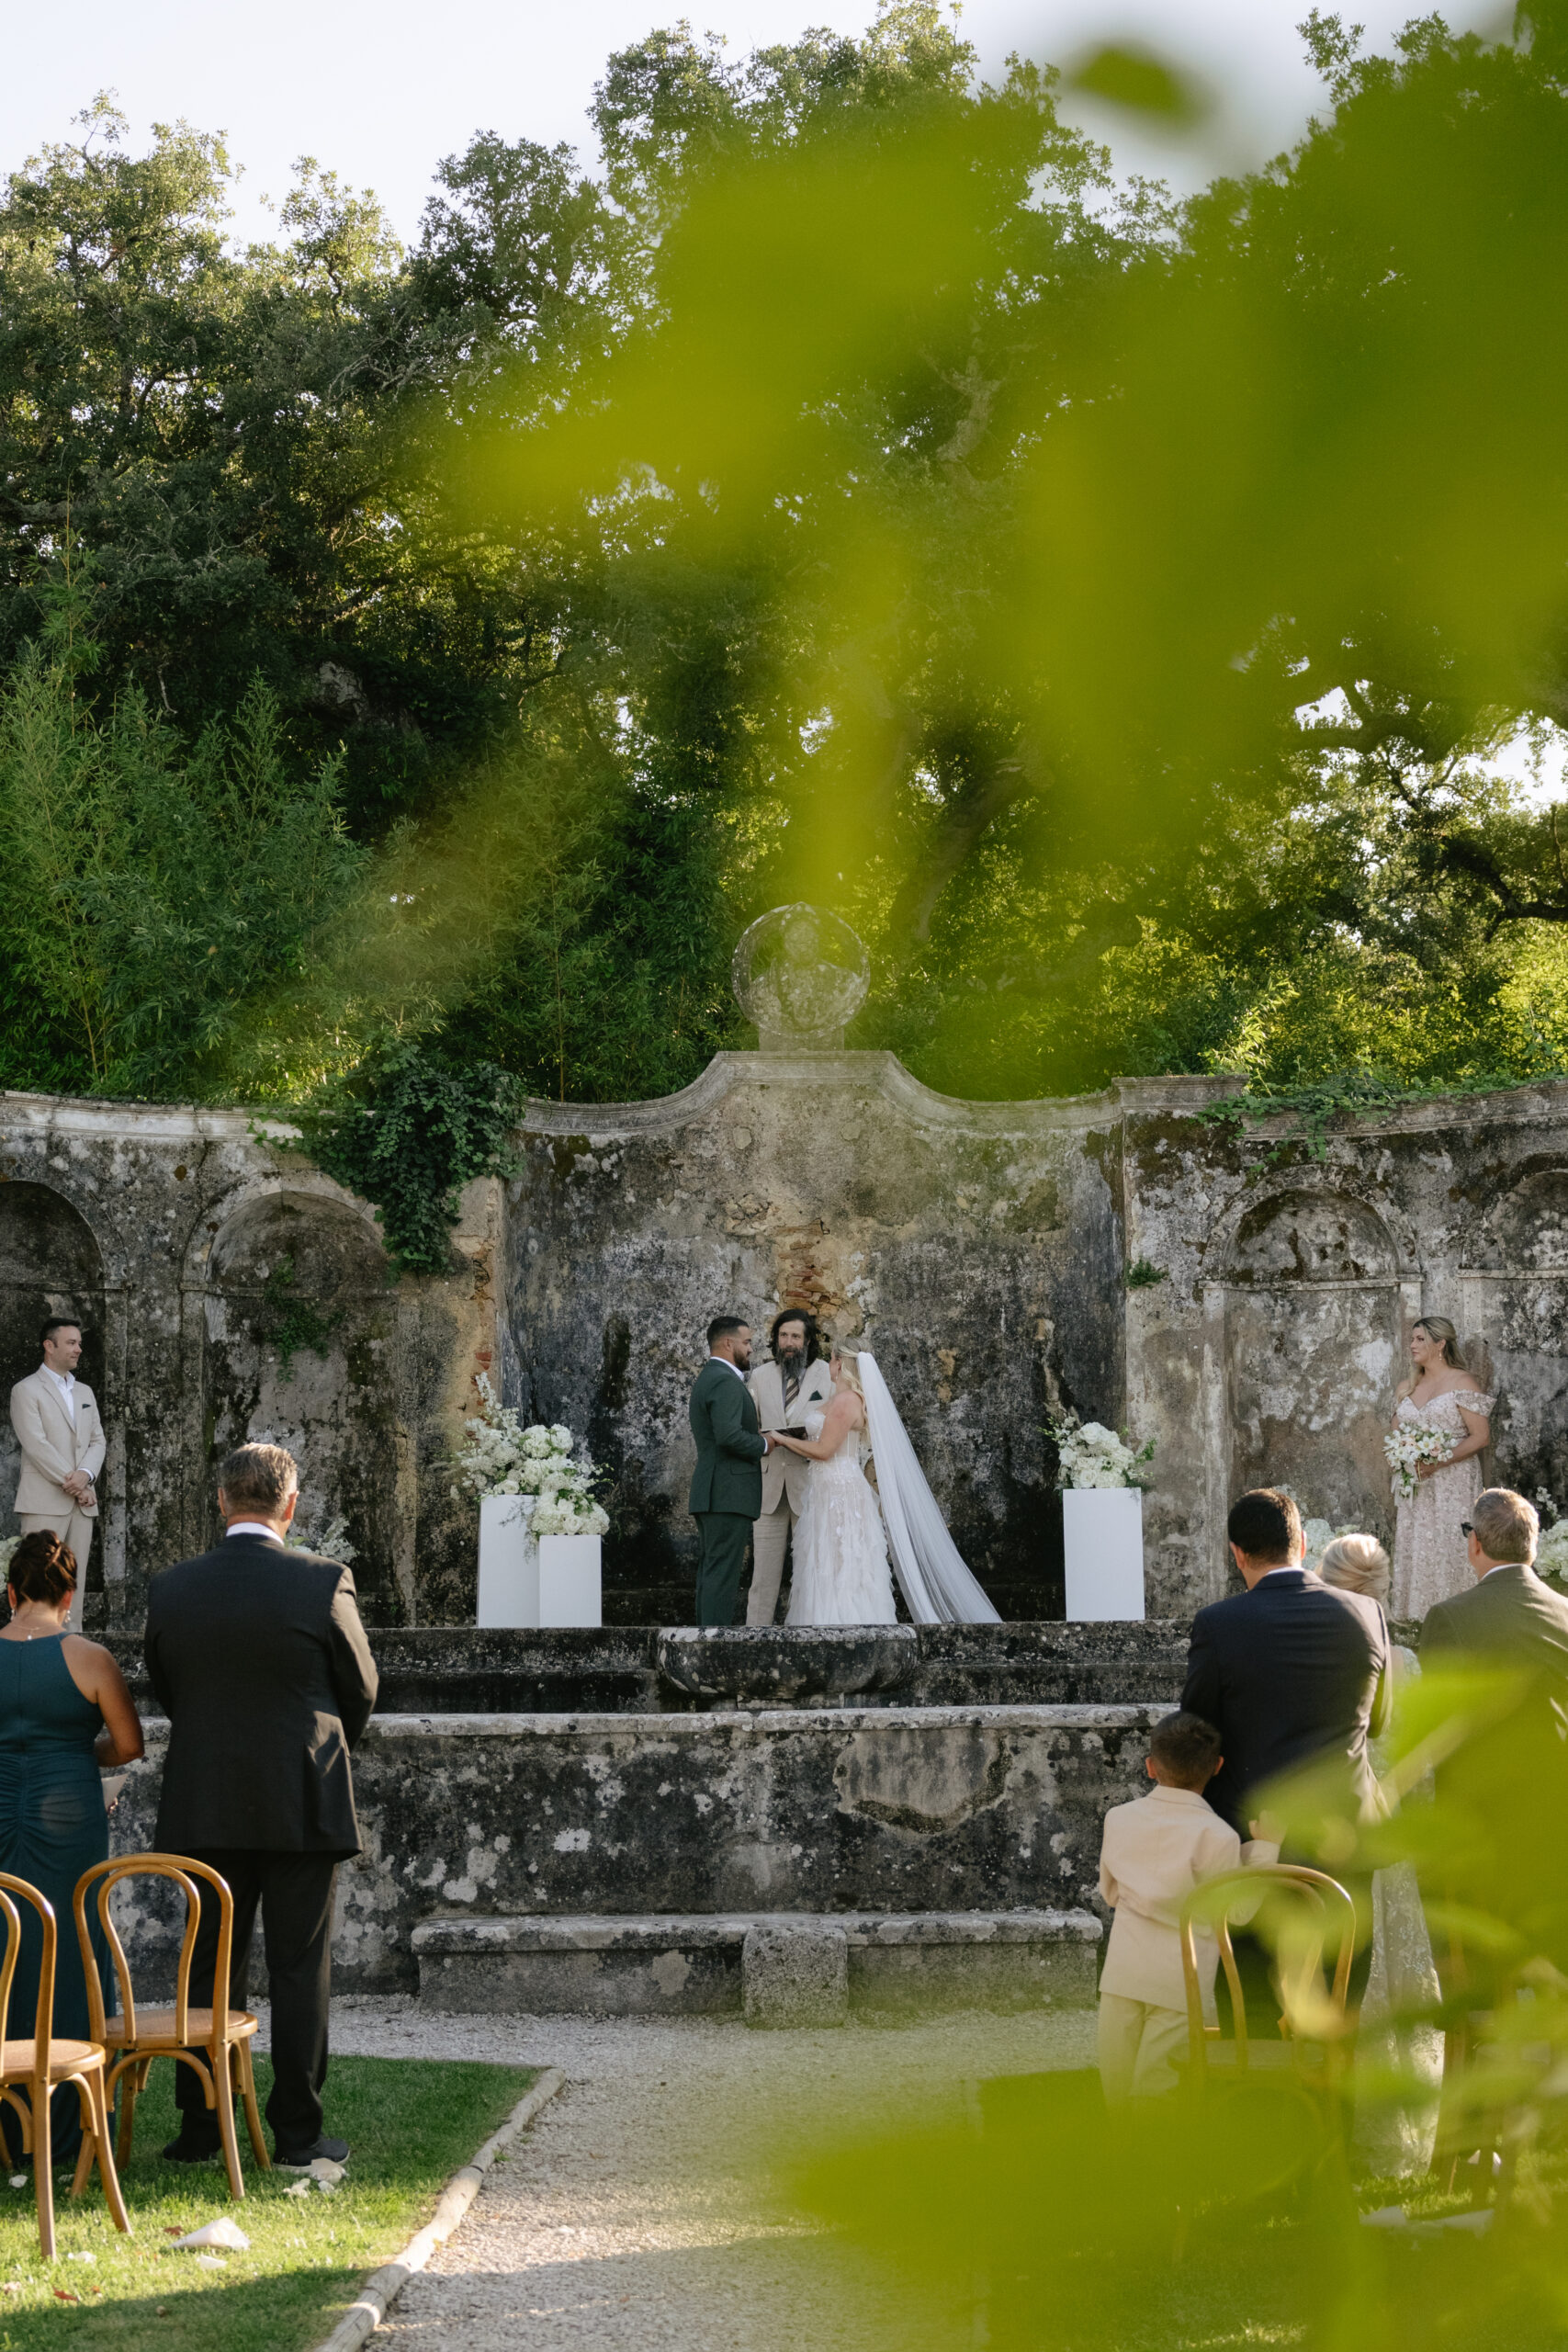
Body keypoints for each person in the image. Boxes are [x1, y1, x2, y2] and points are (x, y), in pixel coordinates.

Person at [145, 1442, 378, 2169]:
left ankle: (200, 2125)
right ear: (290, 1505)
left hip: (205, 1796)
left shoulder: (174, 1587)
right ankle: (298, 2136)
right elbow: (360, 1689)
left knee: (207, 1965)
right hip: (300, 1796)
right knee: (299, 1967)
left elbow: (166, 1684)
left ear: (222, 1501)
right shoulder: (322, 1581)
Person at [1181, 1487, 1390, 2029]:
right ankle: (1332, 2109)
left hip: (1255, 1835)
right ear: (1301, 1541)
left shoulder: (1218, 1624)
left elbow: (1198, 1735)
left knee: (1250, 2001)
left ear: (1237, 1553)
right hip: (1345, 1837)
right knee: (1338, 2002)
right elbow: (1380, 1722)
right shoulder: (1367, 1613)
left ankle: (1257, 2108)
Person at [0, 1532, 142, 2163]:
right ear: (69, 1593)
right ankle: (74, 2124)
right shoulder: (90, 1659)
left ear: (9, 1592)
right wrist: (74, 1760)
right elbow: (128, 1744)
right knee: (75, 1942)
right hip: (70, 1816)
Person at [1318, 1532, 1442, 2176]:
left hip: (1337, 1832)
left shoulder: (1320, 1655)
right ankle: (1392, 2125)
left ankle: (1330, 2120)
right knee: (1392, 1983)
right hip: (1389, 1835)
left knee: (1342, 1976)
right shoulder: (1408, 1662)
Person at [1097, 1710, 1280, 2101]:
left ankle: (1115, 2158)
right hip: (1181, 1979)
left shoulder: (1119, 1818)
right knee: (1157, 2088)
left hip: (1123, 1971)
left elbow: (1110, 1893)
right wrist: (1265, 1850)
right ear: (1217, 1767)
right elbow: (1238, 1912)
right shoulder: (1218, 1835)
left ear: (1150, 1766)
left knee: (1116, 2081)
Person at [773, 1349, 999, 1623]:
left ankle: (842, 1623)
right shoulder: (840, 1398)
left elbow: (824, 1450)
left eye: (832, 1359)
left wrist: (780, 1440)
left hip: (839, 1489)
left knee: (841, 1561)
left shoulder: (847, 1400)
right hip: (826, 1487)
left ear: (841, 1362)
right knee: (826, 1560)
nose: (828, 1365)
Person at [1390, 1316, 1494, 1619]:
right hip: (1417, 1481)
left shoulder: (1462, 1383)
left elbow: (1481, 1436)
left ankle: (1463, 1617)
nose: (1412, 1345)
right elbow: (1396, 1434)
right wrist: (1406, 1456)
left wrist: (1437, 1462)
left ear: (1440, 1344)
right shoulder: (1407, 1387)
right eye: (1411, 1339)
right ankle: (1419, 1616)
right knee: (1419, 1543)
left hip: (1454, 1480)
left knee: (1451, 1543)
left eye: (1420, 1339)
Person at [9, 1319, 107, 1634]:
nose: (78, 1349)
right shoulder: (25, 1390)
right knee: (38, 1581)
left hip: (81, 1504)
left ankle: (73, 1649)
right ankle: (33, 1644)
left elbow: (97, 1441)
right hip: (44, 1502)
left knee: (73, 1585)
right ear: (48, 1346)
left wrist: (86, 1475)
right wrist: (79, 1485)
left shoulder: (85, 1391)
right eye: (71, 1343)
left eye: (79, 1343)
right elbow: (36, 1444)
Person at [746, 1309, 834, 1626]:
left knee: (812, 1568)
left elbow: (836, 1425)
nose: (789, 1342)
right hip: (768, 1488)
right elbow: (749, 1427)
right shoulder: (760, 1376)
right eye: (783, 1335)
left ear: (808, 1340)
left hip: (810, 1484)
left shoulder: (826, 1374)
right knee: (762, 1576)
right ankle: (753, 1637)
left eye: (796, 1336)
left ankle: (810, 1631)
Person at [687, 1318, 777, 1628]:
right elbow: (728, 1436)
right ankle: (713, 1643)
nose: (751, 1348)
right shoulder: (724, 1381)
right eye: (747, 1342)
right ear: (728, 1344)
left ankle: (704, 1638)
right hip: (726, 1492)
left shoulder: (711, 1377)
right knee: (722, 1573)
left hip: (715, 1490)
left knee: (712, 1570)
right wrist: (765, 1443)